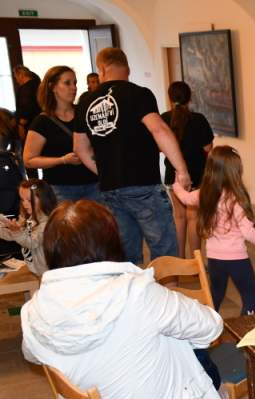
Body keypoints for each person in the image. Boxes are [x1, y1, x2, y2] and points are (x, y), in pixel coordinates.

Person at [20, 199, 245, 399]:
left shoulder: (34, 312)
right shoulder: (136, 294)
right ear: (109, 242)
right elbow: (211, 327)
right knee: (184, 348)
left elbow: (31, 354)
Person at [74, 47, 191, 264]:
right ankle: (163, 287)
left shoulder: (86, 102)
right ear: (127, 68)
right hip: (143, 184)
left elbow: (80, 148)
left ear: (102, 69)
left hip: (109, 189)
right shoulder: (139, 94)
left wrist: (105, 171)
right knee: (165, 252)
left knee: (125, 255)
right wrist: (182, 170)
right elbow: (159, 130)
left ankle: (131, 287)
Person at [174, 146, 255, 314]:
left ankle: (209, 326)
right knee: (250, 298)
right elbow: (249, 233)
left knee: (215, 296)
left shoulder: (204, 193)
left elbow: (185, 198)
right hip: (237, 259)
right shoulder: (235, 199)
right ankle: (245, 328)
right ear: (235, 171)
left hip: (214, 258)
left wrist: (177, 183)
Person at [23, 66, 100, 202]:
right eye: (67, 83)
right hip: (60, 189)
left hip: (94, 185)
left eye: (75, 83)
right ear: (52, 87)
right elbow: (29, 160)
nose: (74, 87)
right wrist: (62, 160)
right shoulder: (42, 122)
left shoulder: (85, 114)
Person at [162, 81, 214, 258]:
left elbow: (160, 147)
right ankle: (195, 262)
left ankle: (180, 261)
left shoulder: (164, 119)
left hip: (173, 175)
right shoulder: (199, 119)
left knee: (179, 217)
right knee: (193, 217)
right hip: (196, 175)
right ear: (189, 98)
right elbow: (208, 148)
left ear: (170, 98)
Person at [0, 179, 57, 276]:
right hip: (36, 269)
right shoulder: (30, 217)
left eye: (29, 200)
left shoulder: (47, 223)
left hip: (47, 272)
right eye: (22, 200)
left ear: (43, 199)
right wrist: (13, 230)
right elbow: (13, 236)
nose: (24, 204)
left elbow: (31, 242)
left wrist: (17, 232)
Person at [12, 65, 41, 144]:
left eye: (16, 77)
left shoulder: (26, 88)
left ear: (21, 75)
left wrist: (21, 125)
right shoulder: (38, 84)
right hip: (40, 122)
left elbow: (26, 107)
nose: (16, 80)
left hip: (30, 125)